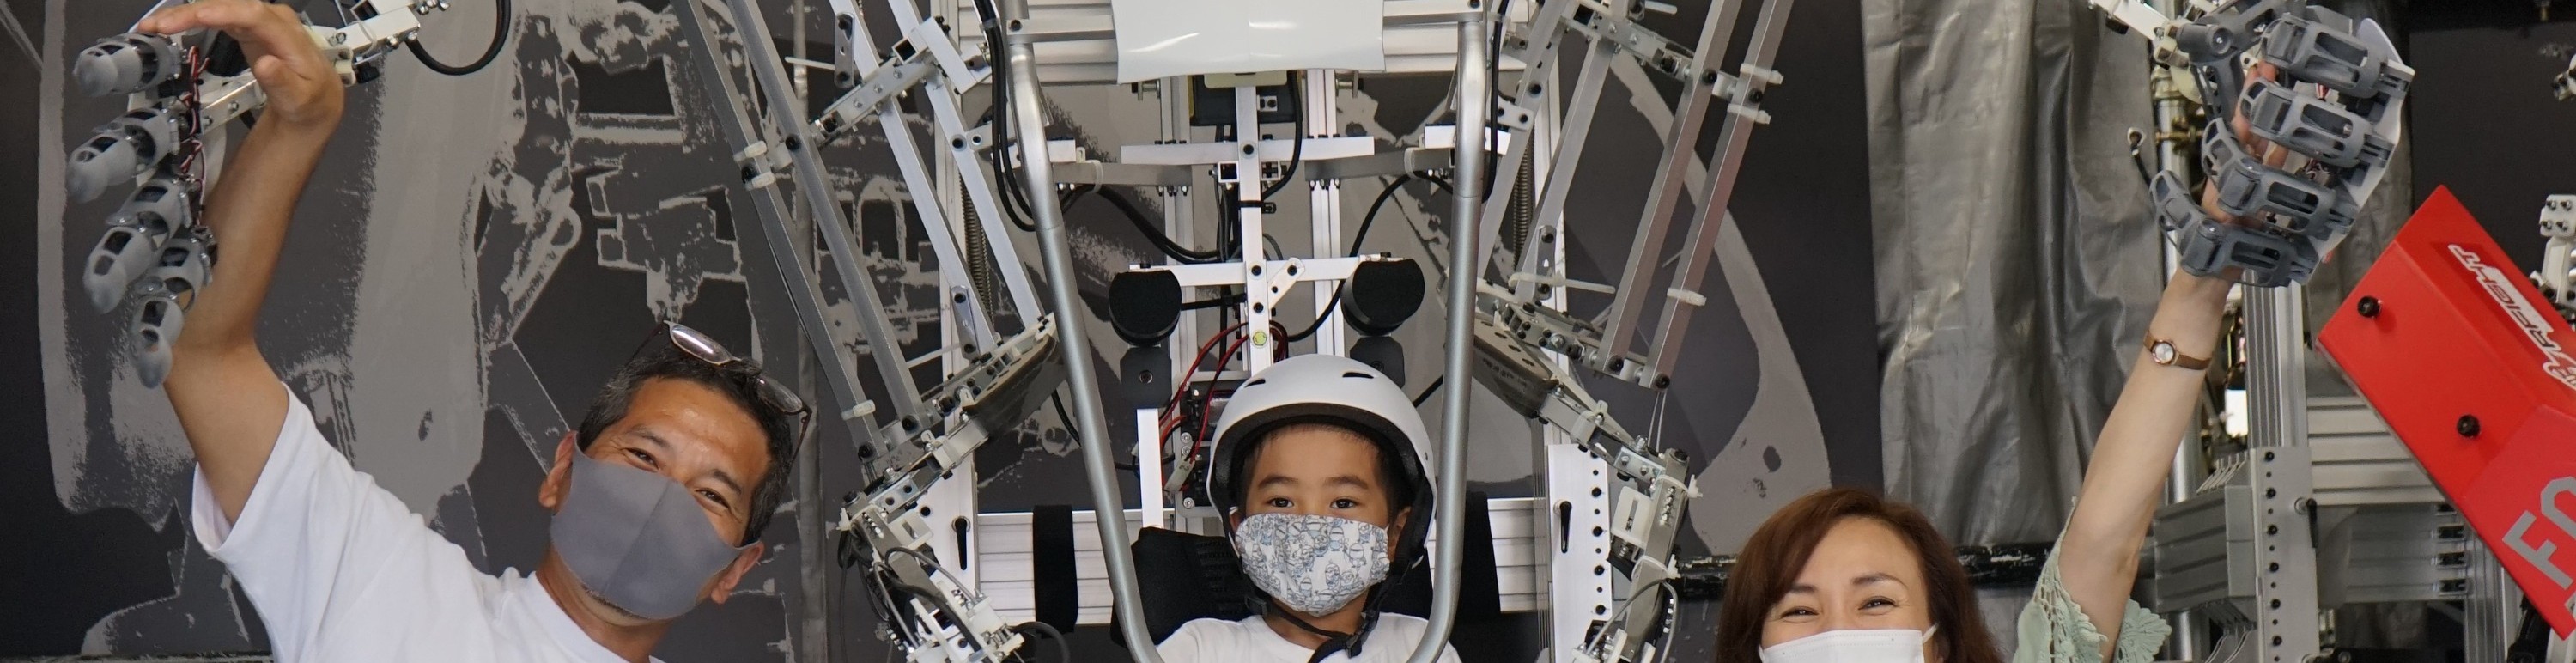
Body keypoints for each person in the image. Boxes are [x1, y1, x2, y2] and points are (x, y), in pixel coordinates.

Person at [141, 2, 809, 661]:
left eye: (712, 494)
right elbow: (206, 356)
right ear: (562, 473)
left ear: (736, 569)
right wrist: (296, 127)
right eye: (643, 457)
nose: (661, 501)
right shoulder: (383, 582)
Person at [1155, 355, 1466, 663]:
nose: (1311, 525)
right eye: (1281, 502)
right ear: (1241, 530)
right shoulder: (1200, 651)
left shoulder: (1420, 649)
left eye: (1343, 503)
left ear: (1398, 533)